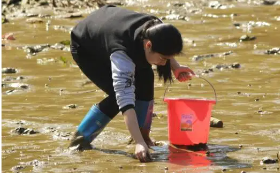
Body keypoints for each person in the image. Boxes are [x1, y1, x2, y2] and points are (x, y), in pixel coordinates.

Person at [69, 5, 194, 163]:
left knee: (146, 77)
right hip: (87, 48)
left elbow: (165, 52)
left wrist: (175, 66)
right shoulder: (122, 54)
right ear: (148, 45)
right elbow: (125, 100)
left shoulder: (157, 28)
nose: (164, 63)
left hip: (109, 25)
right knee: (118, 97)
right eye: (163, 58)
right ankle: (79, 141)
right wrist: (138, 144)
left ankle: (143, 135)